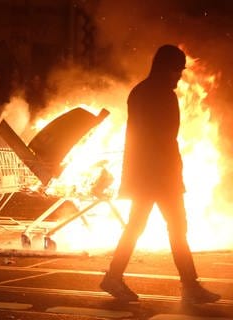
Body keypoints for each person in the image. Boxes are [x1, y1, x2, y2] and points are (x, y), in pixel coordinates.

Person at [100, 45, 221, 304]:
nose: (179, 76)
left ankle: (115, 277)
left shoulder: (140, 92)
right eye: (177, 70)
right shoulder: (162, 95)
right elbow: (166, 136)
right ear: (166, 68)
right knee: (176, 228)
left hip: (145, 173)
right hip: (160, 174)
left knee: (140, 227)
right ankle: (189, 285)